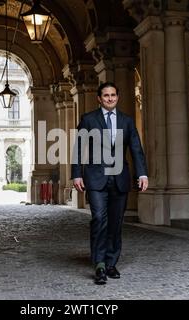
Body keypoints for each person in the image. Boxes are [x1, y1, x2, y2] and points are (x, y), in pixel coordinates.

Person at [71, 82, 148, 285]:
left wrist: (142, 174)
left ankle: (111, 262)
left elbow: (136, 149)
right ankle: (99, 265)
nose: (110, 98)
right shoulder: (88, 119)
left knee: (115, 223)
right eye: (106, 95)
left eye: (113, 95)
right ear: (99, 98)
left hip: (120, 178)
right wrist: (76, 174)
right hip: (96, 177)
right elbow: (78, 147)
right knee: (98, 218)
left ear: (118, 97)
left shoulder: (127, 121)